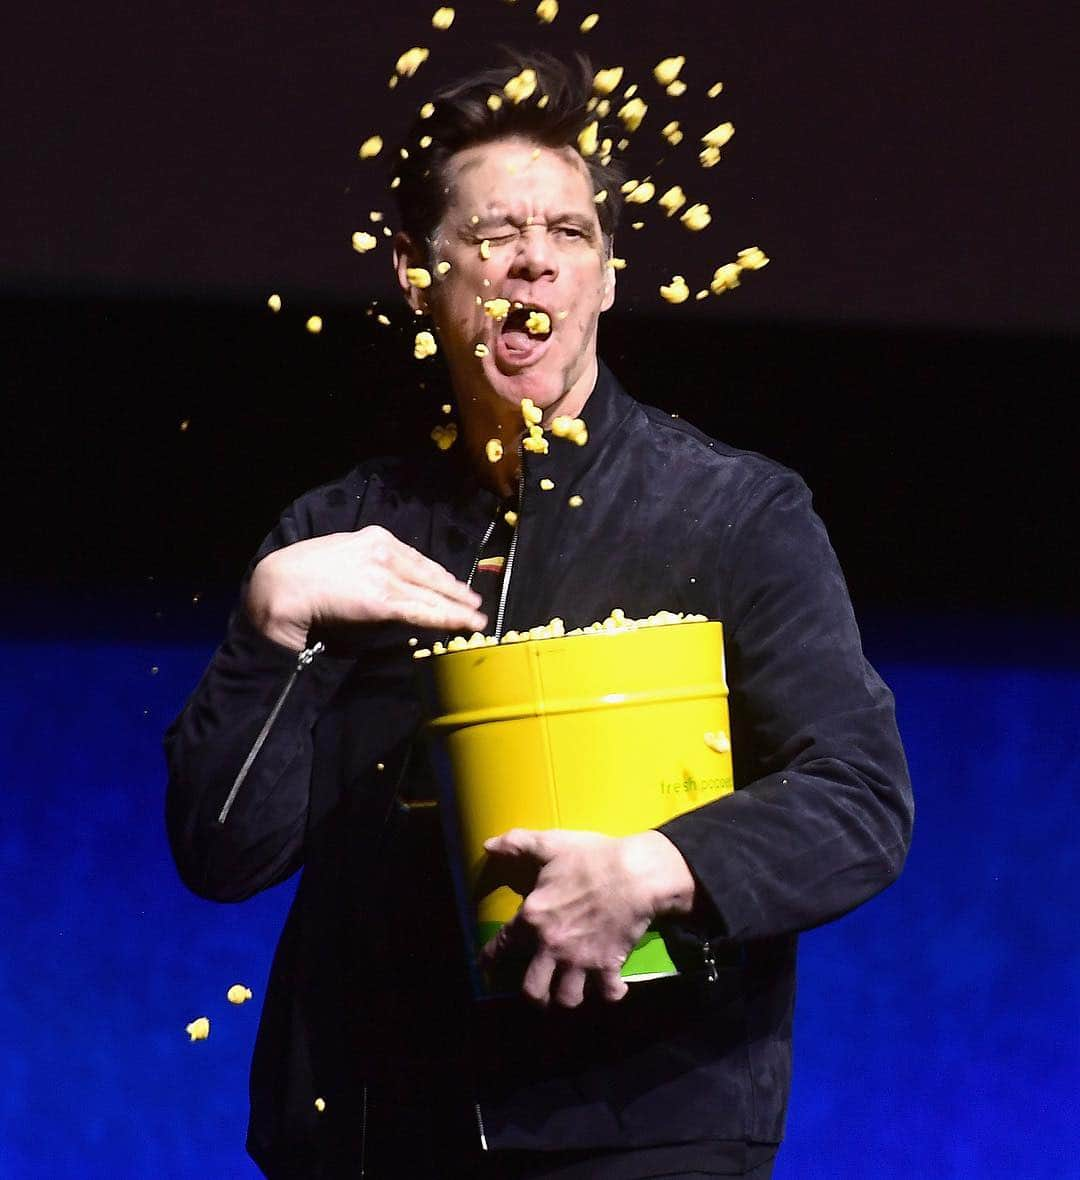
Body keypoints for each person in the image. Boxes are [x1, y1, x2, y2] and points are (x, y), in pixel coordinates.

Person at [165, 53, 913, 1179]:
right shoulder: (343, 534)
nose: (535, 262)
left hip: (638, 1124)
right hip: (371, 1133)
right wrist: (274, 628)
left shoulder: (732, 511)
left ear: (608, 278)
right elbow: (222, 851)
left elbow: (857, 799)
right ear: (421, 275)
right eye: (497, 232)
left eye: (570, 235)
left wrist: (659, 870)